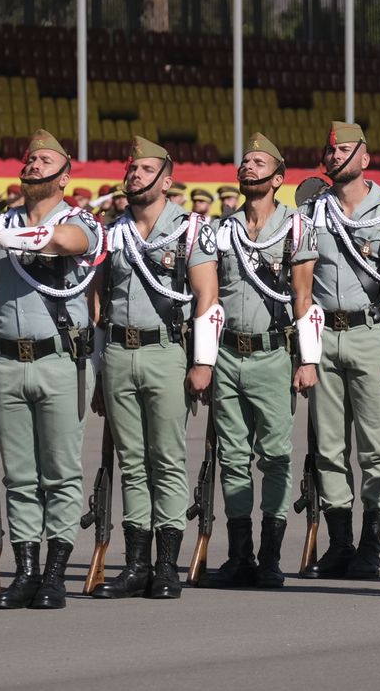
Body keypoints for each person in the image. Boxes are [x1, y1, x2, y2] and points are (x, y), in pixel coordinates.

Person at [0, 128, 104, 609]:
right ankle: (24, 571)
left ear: (65, 175)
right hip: (5, 361)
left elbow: (62, 241)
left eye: (45, 160)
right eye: (29, 159)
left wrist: (5, 236)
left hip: (60, 361)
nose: (33, 165)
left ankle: (53, 574)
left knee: (61, 473)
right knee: (19, 475)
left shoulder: (83, 221)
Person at [91, 136, 221, 599]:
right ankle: (136, 565)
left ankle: (167, 565)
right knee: (132, 463)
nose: (135, 176)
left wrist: (203, 362)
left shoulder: (190, 230)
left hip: (167, 351)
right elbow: (100, 303)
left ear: (166, 181)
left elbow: (207, 297)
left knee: (166, 459)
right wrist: (98, 369)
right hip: (120, 354)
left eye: (145, 170)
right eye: (132, 169)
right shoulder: (113, 231)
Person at [300, 122, 380, 581]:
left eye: (345, 150)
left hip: (372, 334)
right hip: (324, 333)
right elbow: (302, 285)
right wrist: (306, 351)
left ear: (365, 158)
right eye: (330, 151)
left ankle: (370, 545)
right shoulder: (313, 212)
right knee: (328, 447)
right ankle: (340, 544)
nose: (334, 157)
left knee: (375, 448)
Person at [202, 133, 320, 589]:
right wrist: (206, 360)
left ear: (277, 177)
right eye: (245, 161)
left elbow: (304, 297)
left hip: (273, 353)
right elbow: (209, 300)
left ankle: (269, 558)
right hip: (228, 352)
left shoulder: (297, 228)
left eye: (258, 162)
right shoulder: (221, 230)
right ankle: (239, 556)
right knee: (232, 457)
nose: (248, 167)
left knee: (274, 456)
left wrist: (307, 360)